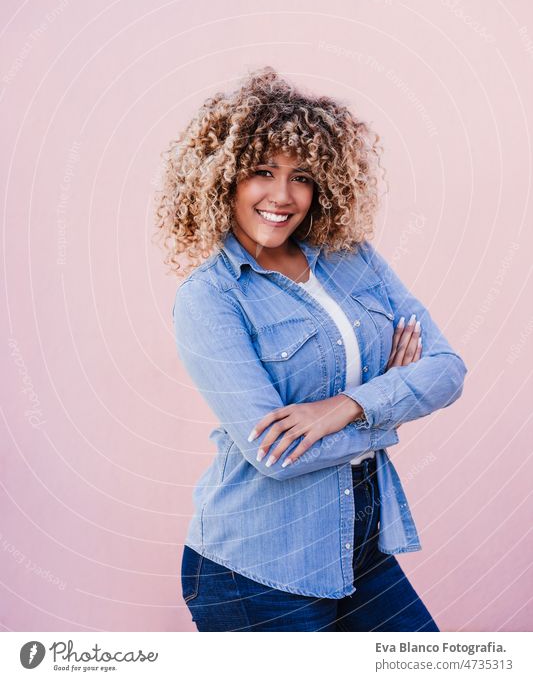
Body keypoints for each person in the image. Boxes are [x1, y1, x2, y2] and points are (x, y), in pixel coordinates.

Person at [154, 66, 468, 631]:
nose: (282, 196)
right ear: (221, 179)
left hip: (363, 545)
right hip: (258, 569)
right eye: (261, 172)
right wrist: (391, 409)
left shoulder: (354, 258)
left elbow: (446, 369)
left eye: (301, 175)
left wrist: (343, 408)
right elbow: (272, 453)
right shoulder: (210, 298)